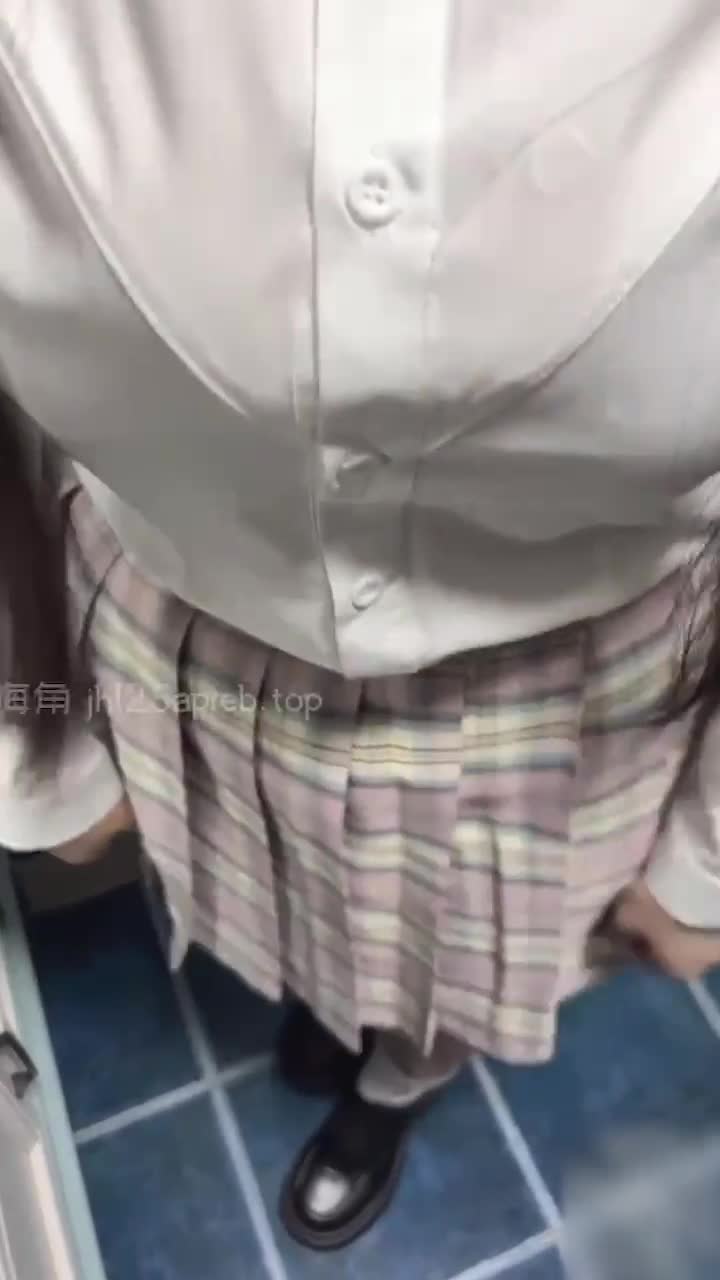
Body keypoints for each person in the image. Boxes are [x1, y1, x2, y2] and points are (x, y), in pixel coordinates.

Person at [2, 3, 720, 1251]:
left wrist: (710, 862)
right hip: (194, 651)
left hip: (573, 703)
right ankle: (340, 1015)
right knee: (294, 922)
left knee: (455, 978)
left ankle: (395, 1084)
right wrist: (34, 761)